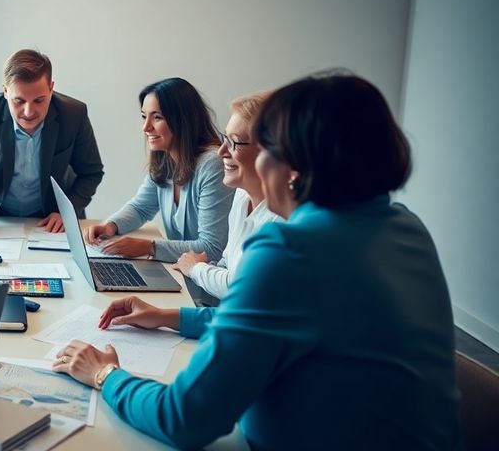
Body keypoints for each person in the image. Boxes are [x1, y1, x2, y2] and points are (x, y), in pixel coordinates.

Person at [52, 72, 459, 449]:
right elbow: (274, 318)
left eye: (264, 146)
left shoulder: (290, 249)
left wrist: (104, 375)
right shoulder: (407, 228)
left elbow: (183, 419)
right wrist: (167, 316)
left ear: (295, 166)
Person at [0, 49, 104, 235]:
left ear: (51, 88)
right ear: (6, 91)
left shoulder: (74, 114)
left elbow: (91, 172)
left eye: (39, 100)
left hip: (53, 221)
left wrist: (67, 212)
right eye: (19, 101)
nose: (29, 111)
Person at [85, 78, 234, 262]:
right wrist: (111, 226)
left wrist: (149, 247)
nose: (146, 127)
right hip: (182, 271)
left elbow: (212, 248)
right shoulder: (166, 159)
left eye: (157, 117)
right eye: (143, 116)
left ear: (183, 120)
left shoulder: (213, 165)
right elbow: (140, 208)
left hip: (209, 279)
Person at [172, 92, 282, 299]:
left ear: (272, 151)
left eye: (234, 142)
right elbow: (227, 264)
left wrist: (196, 269)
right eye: (225, 139)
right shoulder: (241, 195)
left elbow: (240, 289)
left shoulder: (282, 219)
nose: (221, 151)